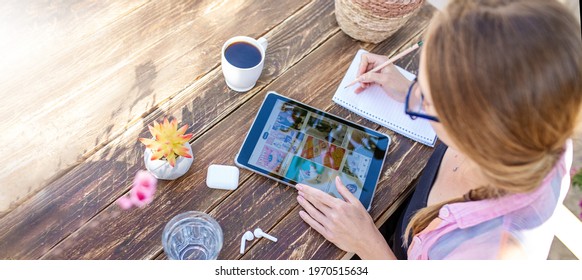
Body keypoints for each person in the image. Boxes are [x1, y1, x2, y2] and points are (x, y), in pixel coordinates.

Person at [295, 0, 582, 259]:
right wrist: (407, 89)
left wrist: (367, 244)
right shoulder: (543, 121)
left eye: (426, 99)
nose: (415, 95)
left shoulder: (485, 255)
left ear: (475, 129)